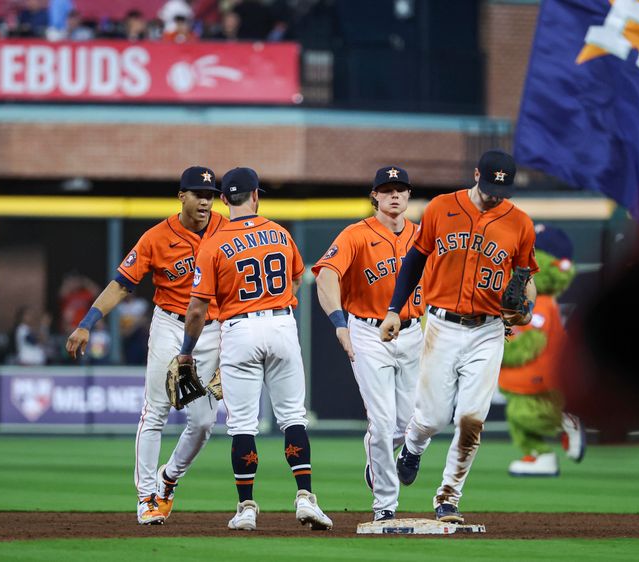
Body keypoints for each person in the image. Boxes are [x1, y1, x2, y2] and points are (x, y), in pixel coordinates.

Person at [379, 149, 538, 523]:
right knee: (432, 418)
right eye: (490, 185)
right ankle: (414, 446)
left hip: (487, 329)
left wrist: (525, 310)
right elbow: (415, 260)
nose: (495, 194)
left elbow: (524, 281)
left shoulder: (520, 223)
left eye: (503, 189)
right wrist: (393, 310)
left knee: (471, 418)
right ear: (477, 174)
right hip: (441, 325)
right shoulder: (440, 208)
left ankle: (448, 496)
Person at [66, 166, 226, 525]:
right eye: (197, 193)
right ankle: (146, 497)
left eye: (210, 195)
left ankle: (168, 479)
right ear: (181, 195)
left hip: (214, 330)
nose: (205, 200)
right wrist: (87, 324)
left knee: (202, 422)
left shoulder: (225, 231)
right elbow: (122, 284)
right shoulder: (156, 237)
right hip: (171, 324)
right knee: (155, 410)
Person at [177, 166, 332, 532]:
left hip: (239, 329)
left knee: (242, 425)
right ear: (256, 195)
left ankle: (246, 507)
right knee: (293, 417)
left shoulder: (212, 243)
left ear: (223, 199)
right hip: (280, 323)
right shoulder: (279, 232)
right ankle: (305, 497)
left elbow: (197, 309)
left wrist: (186, 352)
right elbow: (297, 277)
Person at [312, 166, 424, 522]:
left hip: (412, 332)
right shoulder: (355, 235)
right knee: (381, 420)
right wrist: (339, 324)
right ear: (374, 195)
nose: (394, 195)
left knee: (407, 424)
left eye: (400, 189)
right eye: (386, 189)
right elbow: (326, 275)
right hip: (367, 332)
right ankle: (385, 506)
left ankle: (377, 461)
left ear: (408, 195)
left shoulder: (423, 237)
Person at [499, 224, 585, 476]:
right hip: (525, 380)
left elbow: (529, 344)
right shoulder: (531, 299)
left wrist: (498, 350)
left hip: (539, 379)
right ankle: (541, 457)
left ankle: (564, 421)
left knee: (524, 414)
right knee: (518, 421)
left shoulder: (542, 304)